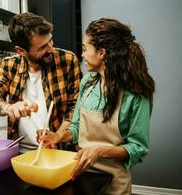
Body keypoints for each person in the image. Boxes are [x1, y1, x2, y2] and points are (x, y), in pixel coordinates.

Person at [40, 18, 155, 194]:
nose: (83, 55)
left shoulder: (136, 94)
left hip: (114, 181)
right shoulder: (87, 83)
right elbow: (77, 127)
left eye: (85, 49)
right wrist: (58, 137)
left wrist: (99, 151)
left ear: (101, 53)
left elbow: (138, 147)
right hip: (80, 174)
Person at [0, 12, 83, 153]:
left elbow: (76, 107)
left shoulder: (67, 60)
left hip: (61, 152)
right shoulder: (9, 65)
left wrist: (58, 136)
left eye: (50, 41)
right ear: (21, 50)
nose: (52, 50)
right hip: (20, 153)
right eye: (42, 47)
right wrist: (9, 108)